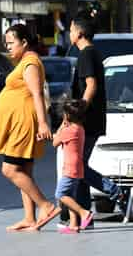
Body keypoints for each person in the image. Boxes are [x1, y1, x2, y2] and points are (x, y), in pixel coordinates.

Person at [59, 14, 131, 228]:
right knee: (78, 168)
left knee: (77, 167)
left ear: (79, 33)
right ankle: (84, 216)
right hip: (89, 119)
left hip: (86, 121)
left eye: (71, 30)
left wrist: (78, 112)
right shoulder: (90, 54)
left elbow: (91, 86)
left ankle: (117, 192)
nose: (69, 34)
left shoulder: (86, 55)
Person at [0, 24, 60, 232]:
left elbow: (37, 94)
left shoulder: (30, 63)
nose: (8, 47)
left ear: (24, 42)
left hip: (24, 123)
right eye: (6, 43)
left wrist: (43, 122)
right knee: (24, 170)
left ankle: (46, 206)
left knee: (9, 169)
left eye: (11, 43)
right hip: (20, 122)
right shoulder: (24, 62)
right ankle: (29, 217)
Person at [53, 99, 94, 234]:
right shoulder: (80, 129)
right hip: (78, 167)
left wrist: (61, 127)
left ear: (67, 116)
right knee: (71, 195)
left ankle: (84, 213)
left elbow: (55, 142)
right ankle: (74, 224)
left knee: (61, 194)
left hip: (70, 168)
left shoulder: (68, 130)